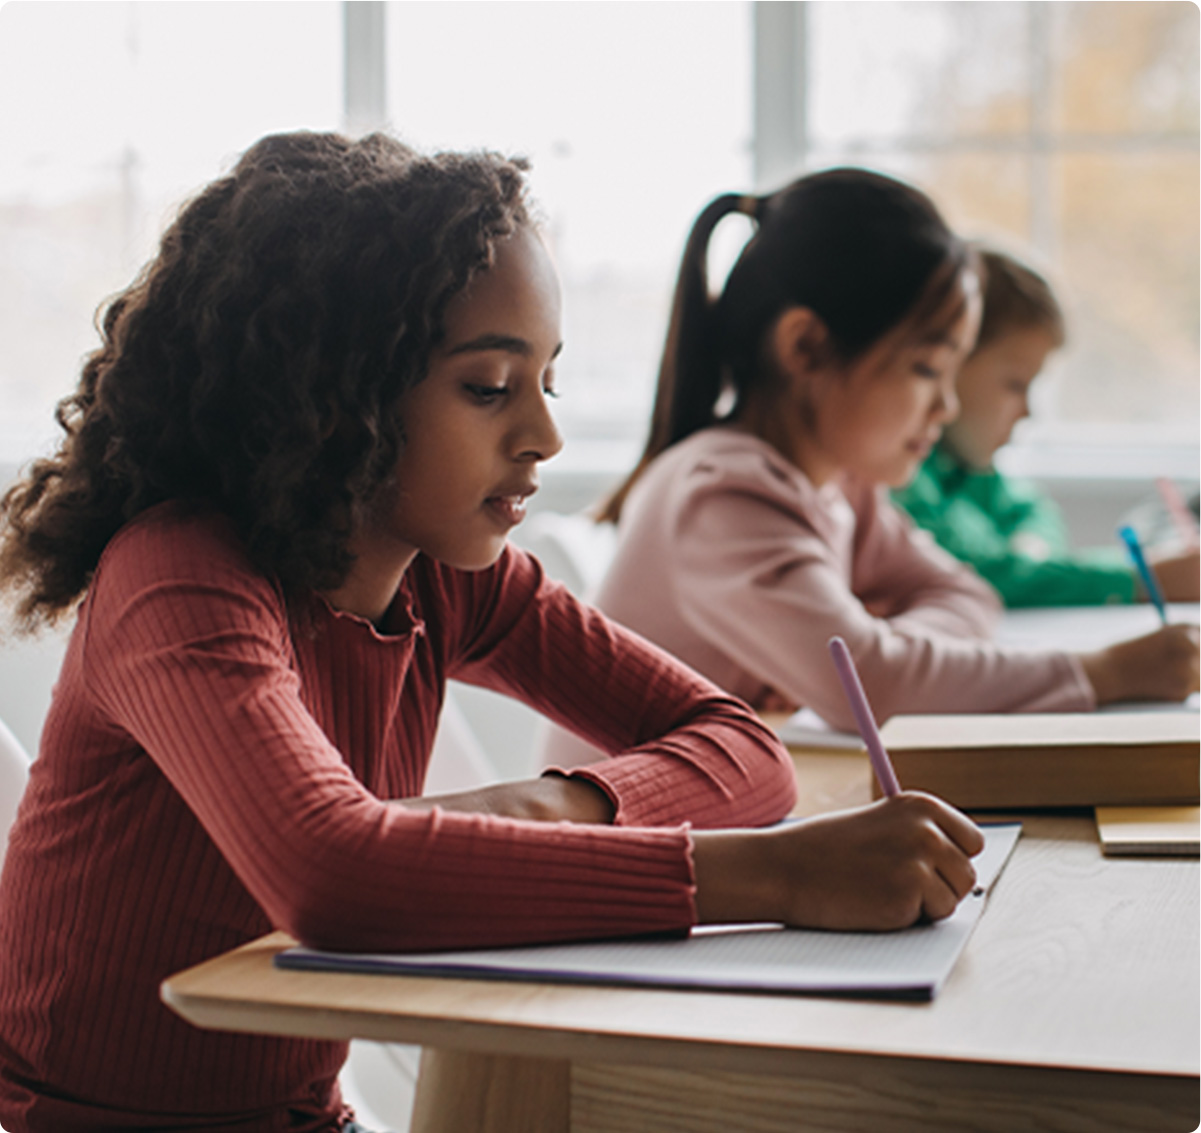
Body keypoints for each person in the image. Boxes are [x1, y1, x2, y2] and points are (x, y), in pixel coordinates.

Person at [0, 133, 987, 1133]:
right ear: (332, 396)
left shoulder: (451, 577)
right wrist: (777, 874)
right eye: (488, 386)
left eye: (546, 380)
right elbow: (335, 875)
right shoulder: (178, 575)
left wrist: (548, 805)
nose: (544, 436)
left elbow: (744, 749)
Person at [544, 168, 1199, 769]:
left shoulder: (840, 486)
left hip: (735, 815)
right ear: (805, 347)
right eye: (924, 370)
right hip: (627, 849)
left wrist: (878, 649)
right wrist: (1102, 673)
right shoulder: (721, 492)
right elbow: (868, 685)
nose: (943, 406)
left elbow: (964, 594)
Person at [892, 246, 1200, 608]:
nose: (1027, 412)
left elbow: (1037, 513)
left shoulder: (973, 474)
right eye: (1015, 385)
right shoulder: (898, 478)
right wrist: (1142, 580)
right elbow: (978, 577)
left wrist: (1029, 556)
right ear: (952, 363)